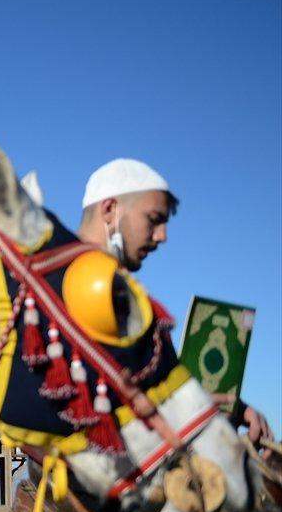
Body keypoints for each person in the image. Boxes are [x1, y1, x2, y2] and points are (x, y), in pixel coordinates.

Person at [76, 158, 272, 443]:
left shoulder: (126, 291)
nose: (162, 236)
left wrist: (235, 408)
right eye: (153, 220)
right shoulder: (65, 287)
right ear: (109, 209)